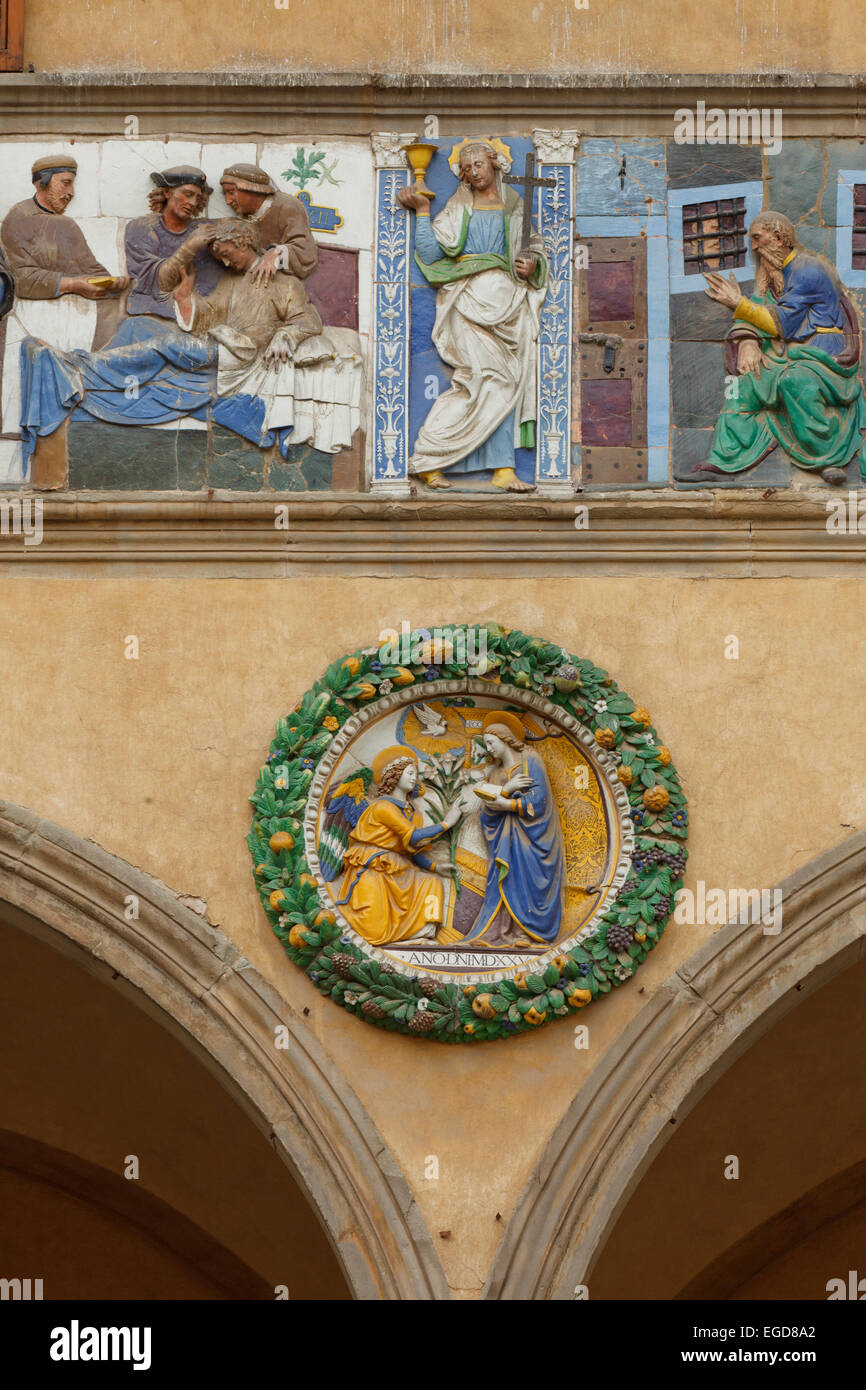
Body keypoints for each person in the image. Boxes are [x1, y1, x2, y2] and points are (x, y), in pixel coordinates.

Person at [18, 220, 323, 464]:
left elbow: (309, 320)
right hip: (216, 343)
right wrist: (185, 296)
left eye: (228, 254)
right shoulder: (231, 282)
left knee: (162, 345)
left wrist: (285, 335)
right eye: (220, 259)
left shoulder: (285, 283)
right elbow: (208, 317)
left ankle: (77, 367)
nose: (226, 264)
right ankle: (91, 373)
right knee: (141, 327)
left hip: (237, 355)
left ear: (243, 243)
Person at [397, 139, 548, 492]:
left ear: (494, 163)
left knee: (507, 384)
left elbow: (534, 247)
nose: (472, 171)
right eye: (465, 167)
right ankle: (428, 458)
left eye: (478, 164)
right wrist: (421, 211)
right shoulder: (459, 204)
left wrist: (532, 264)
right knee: (479, 381)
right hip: (467, 303)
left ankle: (502, 468)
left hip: (509, 307)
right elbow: (431, 252)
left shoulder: (514, 203)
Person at [697, 210, 866, 482]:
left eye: (757, 238)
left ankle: (826, 458)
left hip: (823, 355)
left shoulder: (806, 268)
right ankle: (725, 458)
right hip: (793, 352)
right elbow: (760, 308)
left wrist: (736, 302)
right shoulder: (778, 271)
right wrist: (749, 340)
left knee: (794, 381)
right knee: (744, 384)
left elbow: (781, 325)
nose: (754, 247)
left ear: (777, 237)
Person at [335, 746, 464, 947]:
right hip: (374, 867)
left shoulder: (408, 812)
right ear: (394, 776)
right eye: (410, 773)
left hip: (397, 867)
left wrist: (434, 868)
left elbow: (409, 850)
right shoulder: (383, 807)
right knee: (373, 929)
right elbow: (413, 837)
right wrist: (447, 823)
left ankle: (423, 932)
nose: (414, 778)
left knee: (432, 884)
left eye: (416, 774)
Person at [460, 711, 565, 948]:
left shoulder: (530, 760)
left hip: (532, 837)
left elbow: (539, 802)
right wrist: (506, 790)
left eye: (491, 742)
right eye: (485, 744)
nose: (488, 749)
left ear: (505, 739)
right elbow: (488, 812)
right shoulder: (495, 773)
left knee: (526, 881)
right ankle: (499, 932)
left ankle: (525, 933)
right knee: (504, 880)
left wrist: (506, 804)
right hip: (504, 840)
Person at [0, 154, 128, 302]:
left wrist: (111, 283)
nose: (71, 193)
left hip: (82, 310)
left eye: (72, 184)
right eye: (66, 183)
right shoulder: (20, 217)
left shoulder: (67, 224)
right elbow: (20, 278)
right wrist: (73, 284)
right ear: (43, 182)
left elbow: (90, 267)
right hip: (36, 313)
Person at [124, 166, 221, 318]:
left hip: (198, 316)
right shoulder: (142, 228)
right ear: (167, 192)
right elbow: (158, 282)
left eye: (198, 198)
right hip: (152, 315)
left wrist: (272, 251)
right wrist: (190, 246)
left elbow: (243, 229)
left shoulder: (202, 228)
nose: (193, 203)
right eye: (187, 194)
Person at [219, 162, 318, 285]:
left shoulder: (286, 206)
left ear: (250, 188)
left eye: (231, 192)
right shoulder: (243, 217)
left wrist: (276, 253)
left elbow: (306, 251)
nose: (228, 201)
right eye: (225, 194)